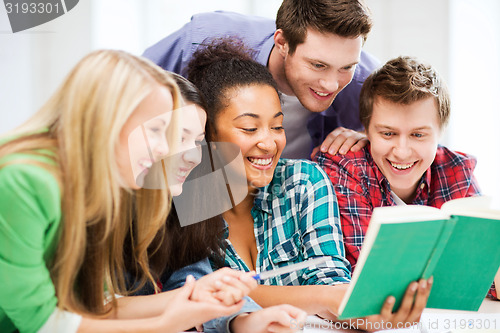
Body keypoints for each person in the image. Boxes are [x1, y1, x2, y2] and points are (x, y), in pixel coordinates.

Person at [0, 49, 271, 333]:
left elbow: (98, 304)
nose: (164, 149)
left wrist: (191, 295)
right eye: (156, 131)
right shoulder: (24, 183)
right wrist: (167, 324)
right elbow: (42, 324)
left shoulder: (98, 189)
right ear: (106, 121)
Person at [186, 38, 432, 331]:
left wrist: (357, 312)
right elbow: (199, 296)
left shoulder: (304, 182)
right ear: (206, 132)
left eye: (277, 126)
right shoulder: (186, 203)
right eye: (250, 128)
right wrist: (327, 298)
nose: (269, 142)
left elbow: (329, 278)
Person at [125, 72, 307, 333]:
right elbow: (86, 313)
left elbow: (190, 280)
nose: (191, 155)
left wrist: (245, 321)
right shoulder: (82, 208)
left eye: (197, 142)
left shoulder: (172, 205)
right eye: (175, 136)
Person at [143, 0, 380, 160]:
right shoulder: (204, 39)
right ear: (282, 43)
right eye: (318, 65)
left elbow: (410, 132)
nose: (331, 84)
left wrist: (374, 136)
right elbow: (125, 96)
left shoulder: (366, 80)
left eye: (346, 67)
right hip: (198, 183)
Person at [314, 56, 482, 270]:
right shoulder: (347, 168)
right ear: (365, 130)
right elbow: (369, 272)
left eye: (418, 135)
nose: (402, 152)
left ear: (441, 132)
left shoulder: (457, 170)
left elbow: (487, 268)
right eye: (388, 133)